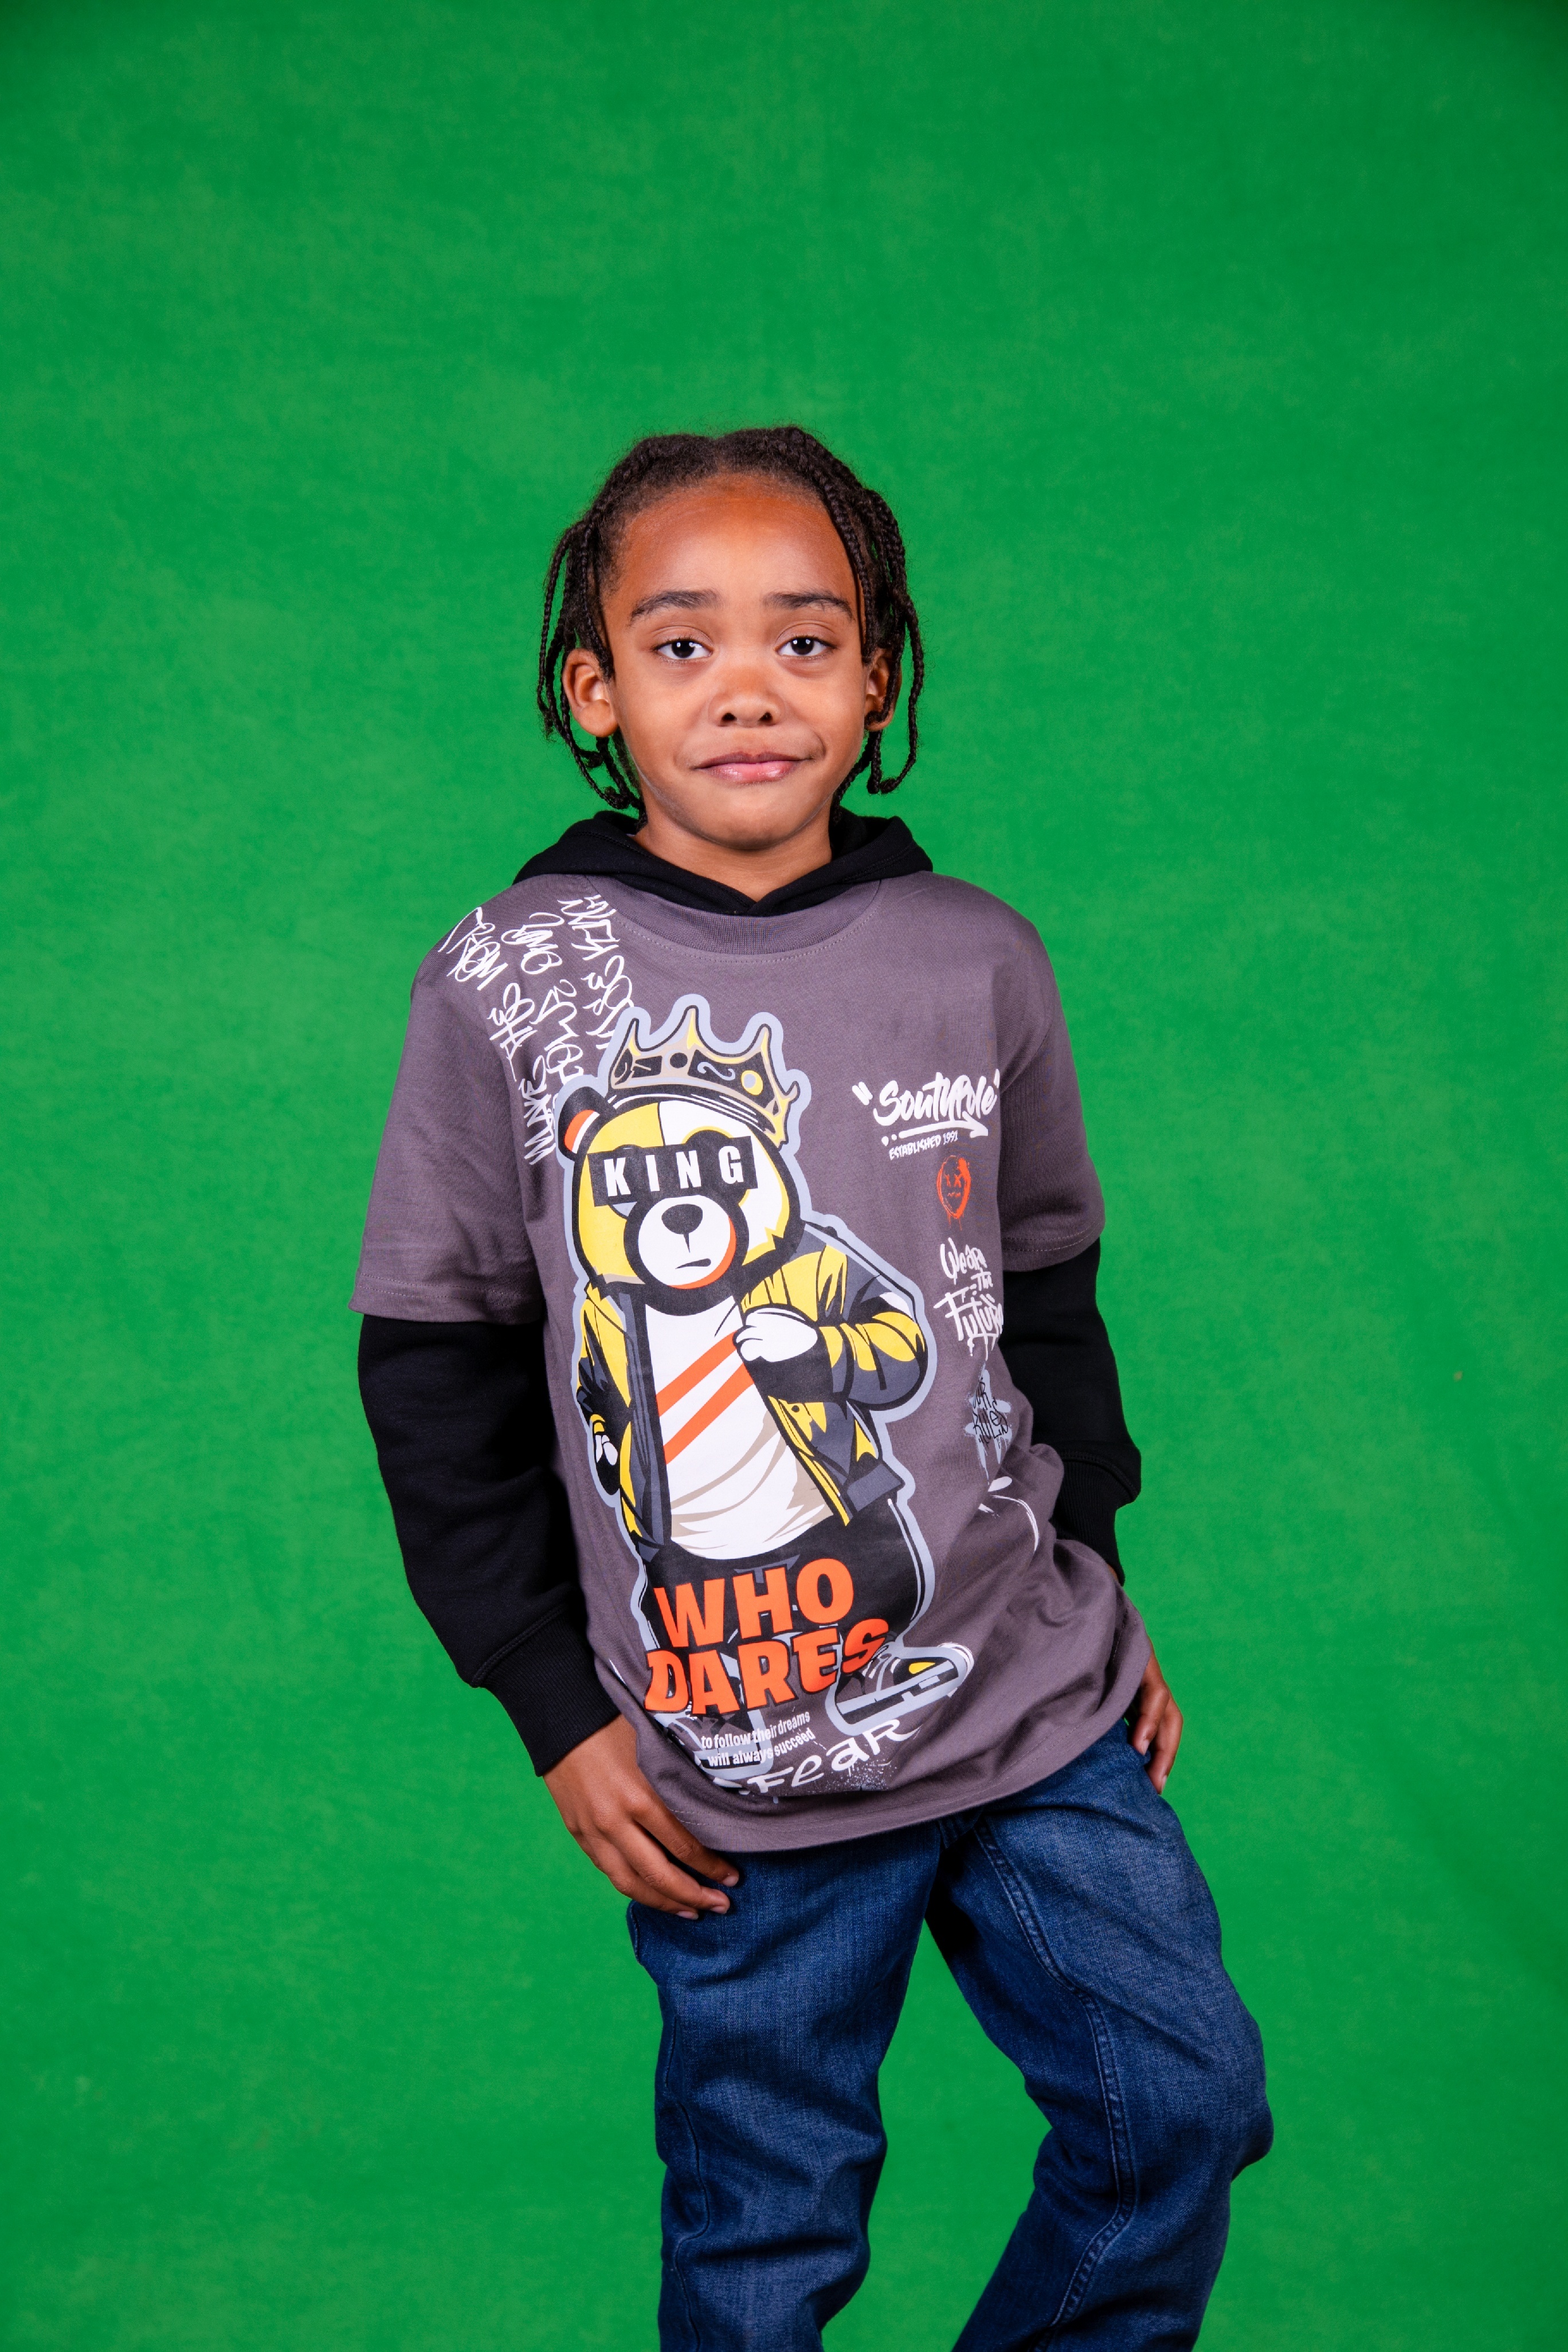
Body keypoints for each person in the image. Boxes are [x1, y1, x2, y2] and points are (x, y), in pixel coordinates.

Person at [352, 426, 1271, 2350]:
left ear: (875, 680)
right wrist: (550, 1704)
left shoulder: (978, 956)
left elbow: (1039, 1292)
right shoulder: (510, 977)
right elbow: (435, 1362)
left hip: (1032, 1704)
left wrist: (1098, 1570)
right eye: (681, 644)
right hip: (733, 1767)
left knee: (1179, 2107)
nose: (749, 686)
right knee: (764, 2238)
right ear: (593, 691)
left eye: (807, 638)